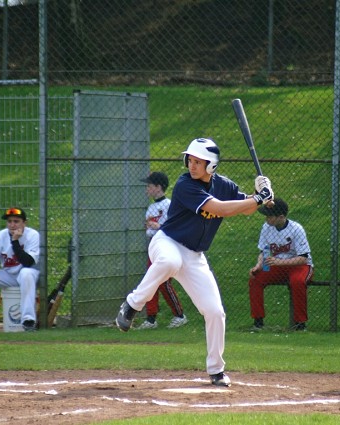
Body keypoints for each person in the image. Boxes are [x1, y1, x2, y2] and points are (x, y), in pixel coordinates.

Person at [115, 137, 274, 387]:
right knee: (169, 262)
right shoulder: (185, 184)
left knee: (215, 312)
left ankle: (216, 370)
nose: (192, 165)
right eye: (190, 160)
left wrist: (262, 195)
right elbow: (220, 209)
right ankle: (132, 304)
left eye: (199, 162)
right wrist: (258, 198)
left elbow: (245, 208)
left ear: (212, 165)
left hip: (194, 256)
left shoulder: (224, 185)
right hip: (167, 242)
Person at [248, 198, 313, 331]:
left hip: (299, 266)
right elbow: (264, 251)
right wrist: (259, 265)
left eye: (270, 216)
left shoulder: (296, 229)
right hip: (277, 265)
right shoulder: (266, 227)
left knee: (297, 282)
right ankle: (258, 322)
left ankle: (300, 324)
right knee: (255, 279)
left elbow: (303, 258)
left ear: (281, 217)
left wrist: (279, 262)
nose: (266, 219)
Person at [136, 171, 188, 330]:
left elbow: (176, 226)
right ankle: (151, 319)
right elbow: (149, 229)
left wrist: (159, 226)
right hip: (153, 246)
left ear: (158, 187)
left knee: (163, 282)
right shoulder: (151, 207)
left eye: (149, 185)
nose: (147, 188)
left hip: (167, 245)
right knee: (151, 281)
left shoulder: (169, 205)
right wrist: (149, 227)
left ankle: (180, 315)